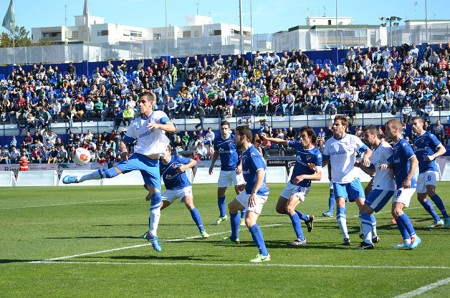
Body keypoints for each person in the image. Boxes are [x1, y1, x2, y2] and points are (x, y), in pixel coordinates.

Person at [62, 91, 176, 252]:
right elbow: (125, 142)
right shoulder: (136, 124)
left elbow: (173, 128)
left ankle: (152, 233)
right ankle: (78, 179)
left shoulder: (158, 115)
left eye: (143, 101)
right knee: (109, 173)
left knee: (157, 197)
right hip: (138, 157)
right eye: (139, 102)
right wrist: (123, 150)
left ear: (151, 103)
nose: (140, 104)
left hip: (153, 163)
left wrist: (158, 125)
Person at [260, 126, 321, 246]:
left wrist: (304, 176)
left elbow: (319, 176)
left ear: (310, 137)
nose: (301, 139)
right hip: (292, 183)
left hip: (303, 185)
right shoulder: (298, 145)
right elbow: (282, 141)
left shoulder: (316, 154)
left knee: (289, 208)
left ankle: (301, 238)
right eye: (300, 136)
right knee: (280, 209)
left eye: (303, 136)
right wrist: (268, 138)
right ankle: (306, 218)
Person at [222, 125, 271, 262]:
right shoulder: (245, 152)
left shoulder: (252, 153)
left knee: (249, 221)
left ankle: (264, 254)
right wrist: (247, 185)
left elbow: (261, 172)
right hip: (249, 190)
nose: (234, 138)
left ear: (244, 137)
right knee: (232, 207)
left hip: (258, 193)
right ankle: (234, 237)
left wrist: (254, 192)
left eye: (236, 135)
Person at [322, 115, 372, 245]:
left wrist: (366, 157)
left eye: (337, 124)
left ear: (344, 127)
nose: (334, 126)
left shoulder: (352, 139)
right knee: (340, 204)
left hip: (353, 179)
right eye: (334, 124)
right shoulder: (329, 143)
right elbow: (324, 160)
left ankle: (368, 232)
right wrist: (314, 167)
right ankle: (346, 237)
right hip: (338, 180)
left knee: (362, 206)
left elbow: (368, 150)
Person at [354, 125, 395, 249]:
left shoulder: (385, 148)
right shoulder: (376, 150)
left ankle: (367, 241)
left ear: (374, 135)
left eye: (366, 135)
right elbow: (372, 172)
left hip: (385, 186)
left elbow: (395, 163)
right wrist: (360, 165)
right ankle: (372, 237)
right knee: (365, 211)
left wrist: (389, 167)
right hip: (378, 185)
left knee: (365, 211)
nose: (364, 138)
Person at [384, 119, 422, 249]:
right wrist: (388, 166)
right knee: (394, 212)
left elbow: (414, 161)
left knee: (397, 210)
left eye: (388, 129)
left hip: (407, 183)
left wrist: (409, 178)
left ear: (395, 130)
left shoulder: (403, 144)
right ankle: (406, 240)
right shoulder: (395, 146)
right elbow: (397, 163)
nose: (386, 132)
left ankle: (414, 236)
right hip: (400, 183)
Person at [158, 145, 209, 238]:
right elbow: (156, 180)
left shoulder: (177, 158)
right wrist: (151, 192)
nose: (163, 152)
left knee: (189, 204)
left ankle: (202, 230)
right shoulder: (159, 165)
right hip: (170, 190)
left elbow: (193, 162)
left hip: (184, 187)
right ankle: (151, 232)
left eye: (165, 150)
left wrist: (185, 167)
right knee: (156, 208)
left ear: (169, 152)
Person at [411, 116, 450, 228]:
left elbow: (442, 149)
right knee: (421, 198)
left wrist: (433, 156)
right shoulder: (416, 140)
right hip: (422, 170)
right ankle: (437, 220)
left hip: (430, 168)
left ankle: (446, 217)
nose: (413, 126)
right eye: (412, 124)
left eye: (415, 124)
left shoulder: (429, 136)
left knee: (430, 191)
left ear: (421, 124)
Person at [209, 120, 245, 225]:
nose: (224, 130)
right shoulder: (217, 140)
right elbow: (216, 152)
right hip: (224, 170)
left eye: (225, 128)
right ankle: (222, 215)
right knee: (220, 192)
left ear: (229, 129)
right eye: (222, 128)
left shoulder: (235, 138)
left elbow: (243, 151)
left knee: (239, 191)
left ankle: (243, 216)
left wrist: (240, 165)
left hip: (235, 169)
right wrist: (212, 165)